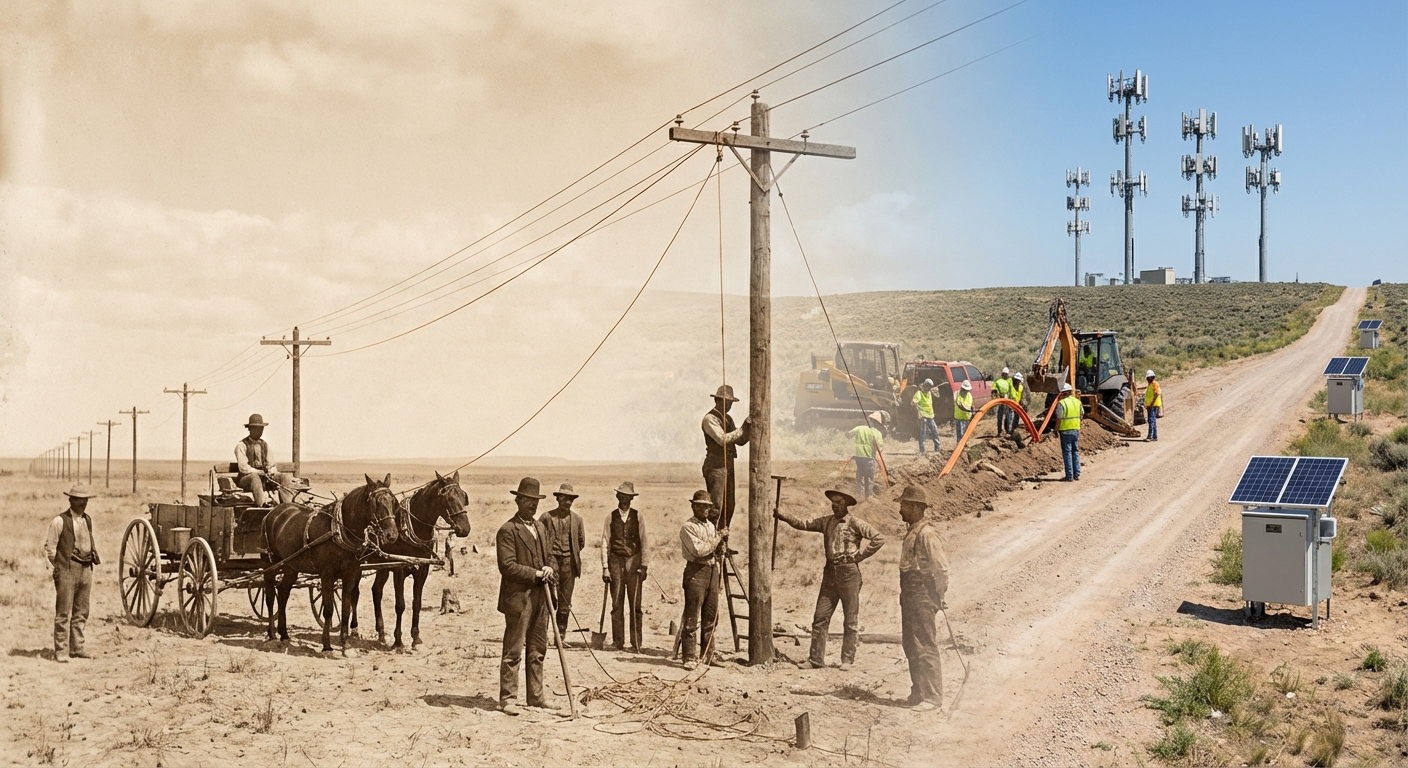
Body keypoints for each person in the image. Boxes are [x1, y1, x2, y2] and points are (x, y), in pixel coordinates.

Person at [775, 490, 885, 668]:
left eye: (839, 502)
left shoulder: (856, 523)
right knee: (820, 617)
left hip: (849, 573)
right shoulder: (826, 521)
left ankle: (847, 660)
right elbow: (803, 524)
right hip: (830, 573)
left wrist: (859, 556)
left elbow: (878, 538)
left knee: (850, 620)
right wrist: (783, 515)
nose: (835, 505)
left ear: (846, 504)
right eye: (833, 502)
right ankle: (816, 660)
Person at [495, 477, 561, 716]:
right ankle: (508, 699)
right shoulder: (507, 530)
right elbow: (508, 566)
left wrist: (550, 567)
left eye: (535, 501)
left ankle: (536, 697)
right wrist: (535, 573)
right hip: (518, 599)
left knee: (537, 650)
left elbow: (551, 554)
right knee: (513, 651)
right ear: (518, 500)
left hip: (541, 598)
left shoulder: (541, 527)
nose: (532, 505)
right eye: (528, 501)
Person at [897, 485, 949, 712]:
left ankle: (933, 697)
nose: (901, 510)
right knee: (910, 643)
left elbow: (941, 569)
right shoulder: (912, 531)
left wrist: (939, 596)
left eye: (905, 506)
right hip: (908, 593)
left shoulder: (927, 534)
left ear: (917, 508)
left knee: (925, 644)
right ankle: (919, 690)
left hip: (922, 594)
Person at [43, 485, 101, 662]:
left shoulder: (87, 520)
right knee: (63, 612)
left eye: (85, 500)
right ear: (70, 500)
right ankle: (61, 650)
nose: (82, 503)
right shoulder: (59, 521)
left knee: (82, 611)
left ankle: (77, 647)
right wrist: (60, 567)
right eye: (78, 500)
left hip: (86, 568)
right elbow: (50, 548)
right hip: (67, 569)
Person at [679, 490, 726, 669]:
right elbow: (700, 551)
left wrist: (721, 547)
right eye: (699, 506)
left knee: (711, 616)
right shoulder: (688, 527)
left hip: (712, 571)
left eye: (706, 506)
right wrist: (718, 538)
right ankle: (689, 657)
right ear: (693, 506)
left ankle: (707, 655)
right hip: (696, 573)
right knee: (692, 616)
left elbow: (713, 549)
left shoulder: (710, 526)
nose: (704, 509)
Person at [601, 481, 649, 652]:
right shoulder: (610, 517)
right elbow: (605, 542)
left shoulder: (638, 517)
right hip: (615, 563)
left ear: (631, 499)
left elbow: (644, 541)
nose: (625, 499)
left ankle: (636, 643)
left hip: (634, 562)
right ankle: (618, 642)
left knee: (635, 604)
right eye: (622, 496)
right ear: (617, 496)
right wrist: (605, 567)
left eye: (628, 497)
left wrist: (644, 565)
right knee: (616, 603)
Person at [539, 482, 586, 639]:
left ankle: (561, 636)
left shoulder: (577, 520)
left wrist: (570, 554)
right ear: (558, 499)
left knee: (565, 602)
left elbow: (581, 542)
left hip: (569, 564)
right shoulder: (546, 517)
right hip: (550, 562)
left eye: (570, 499)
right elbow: (539, 539)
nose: (568, 502)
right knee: (548, 600)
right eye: (565, 499)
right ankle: (541, 635)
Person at [702, 385, 751, 528]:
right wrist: (743, 428)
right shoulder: (709, 418)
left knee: (729, 505)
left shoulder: (728, 419)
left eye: (730, 402)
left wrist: (748, 428)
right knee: (716, 507)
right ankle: (711, 542)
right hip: (715, 465)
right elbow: (722, 439)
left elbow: (740, 440)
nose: (729, 405)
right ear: (718, 400)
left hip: (728, 464)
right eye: (726, 402)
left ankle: (723, 543)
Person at [235, 414, 294, 507]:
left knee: (283, 477)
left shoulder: (265, 445)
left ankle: (287, 506)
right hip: (246, 479)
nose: (260, 431)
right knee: (255, 477)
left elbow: (271, 464)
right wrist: (258, 472)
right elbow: (243, 467)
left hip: (264, 478)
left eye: (261, 429)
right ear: (250, 429)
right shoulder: (241, 445)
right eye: (257, 428)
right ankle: (262, 505)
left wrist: (271, 472)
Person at [848, 414, 884, 500]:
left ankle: (859, 495)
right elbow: (880, 449)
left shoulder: (859, 428)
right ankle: (869, 496)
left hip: (859, 458)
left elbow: (848, 435)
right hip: (870, 459)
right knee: (869, 478)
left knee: (859, 477)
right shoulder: (877, 433)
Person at [1057, 382, 1083, 481]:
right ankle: (1076, 474)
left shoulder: (1062, 403)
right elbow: (1082, 414)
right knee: (1075, 451)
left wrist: (1056, 429)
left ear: (1063, 393)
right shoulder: (1078, 402)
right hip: (1076, 429)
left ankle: (1069, 476)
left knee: (1067, 452)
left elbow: (1059, 419)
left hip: (1065, 431)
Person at [911, 379, 941, 455]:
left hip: (930, 415)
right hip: (923, 416)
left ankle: (937, 448)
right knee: (923, 433)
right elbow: (913, 402)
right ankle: (922, 450)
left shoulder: (929, 392)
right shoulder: (919, 393)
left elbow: (937, 395)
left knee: (935, 432)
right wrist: (918, 411)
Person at [991, 367, 1016, 436]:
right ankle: (1001, 431)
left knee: (1007, 416)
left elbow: (1011, 391)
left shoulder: (1008, 381)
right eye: (1004, 374)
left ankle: (1006, 430)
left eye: (1006, 374)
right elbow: (994, 390)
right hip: (1002, 400)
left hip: (1006, 400)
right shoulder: (999, 381)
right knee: (1002, 416)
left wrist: (1012, 399)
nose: (1005, 375)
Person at [1144, 370, 1162, 442]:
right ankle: (1154, 436)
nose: (1148, 379)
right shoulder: (1150, 385)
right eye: (1147, 378)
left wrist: (1151, 404)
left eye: (1149, 377)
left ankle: (1150, 436)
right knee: (1152, 421)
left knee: (1151, 420)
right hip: (1150, 406)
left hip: (1153, 405)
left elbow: (1156, 394)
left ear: (1152, 377)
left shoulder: (1155, 384)